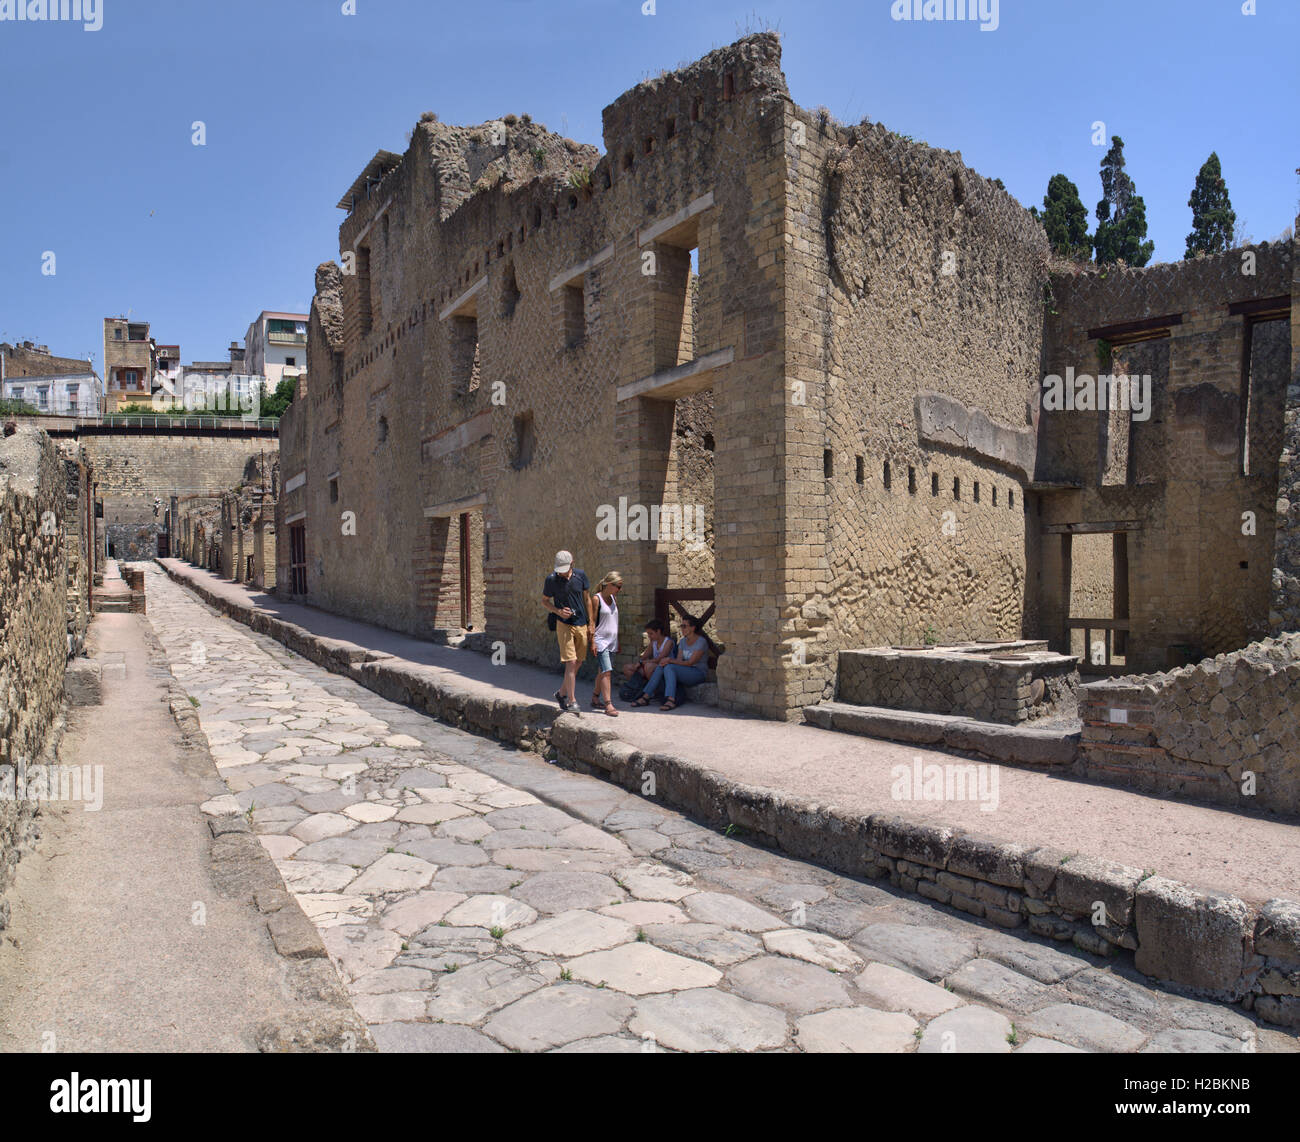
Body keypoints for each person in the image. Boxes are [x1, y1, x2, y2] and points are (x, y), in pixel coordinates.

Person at [541, 549, 590, 715]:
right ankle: (572, 700)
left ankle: (561, 694)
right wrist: (558, 612)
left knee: (579, 662)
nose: (561, 573)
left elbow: (587, 599)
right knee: (571, 661)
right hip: (563, 623)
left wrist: (591, 623)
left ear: (572, 564)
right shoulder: (551, 580)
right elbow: (545, 601)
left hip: (582, 622)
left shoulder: (581, 576)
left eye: (564, 569)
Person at [635, 613, 710, 711]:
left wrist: (669, 660)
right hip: (685, 670)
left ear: (693, 628)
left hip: (698, 673)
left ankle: (671, 699)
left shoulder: (701, 642)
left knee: (669, 665)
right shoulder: (683, 641)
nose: (681, 628)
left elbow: (690, 662)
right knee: (663, 665)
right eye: (681, 626)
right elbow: (679, 660)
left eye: (684, 626)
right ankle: (646, 696)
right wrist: (667, 661)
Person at [588, 571, 623, 717]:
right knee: (606, 672)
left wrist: (617, 640)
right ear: (609, 584)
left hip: (612, 641)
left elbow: (614, 621)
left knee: (602, 671)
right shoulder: (597, 599)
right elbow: (592, 621)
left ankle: (595, 697)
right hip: (601, 640)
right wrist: (593, 641)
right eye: (618, 586)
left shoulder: (614, 598)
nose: (619, 590)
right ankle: (608, 704)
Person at [623, 618, 674, 683]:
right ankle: (637, 688)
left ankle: (654, 691)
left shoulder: (668, 642)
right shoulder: (653, 642)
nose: (649, 636)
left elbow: (659, 659)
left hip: (665, 667)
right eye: (648, 634)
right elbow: (644, 656)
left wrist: (643, 662)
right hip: (653, 666)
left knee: (648, 667)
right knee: (627, 668)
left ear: (658, 631)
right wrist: (638, 663)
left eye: (651, 634)